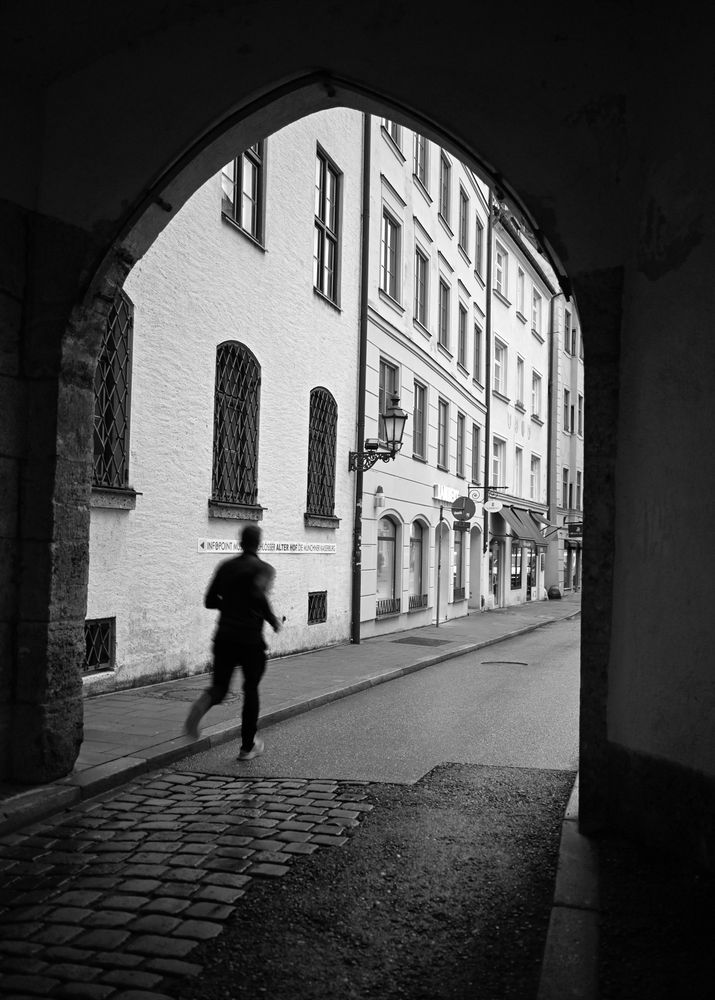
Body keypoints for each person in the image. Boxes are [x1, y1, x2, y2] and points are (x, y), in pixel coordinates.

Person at [184, 523, 281, 760]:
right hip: (250, 640)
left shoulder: (225, 567)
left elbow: (209, 601)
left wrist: (229, 604)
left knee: (220, 687)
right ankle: (248, 746)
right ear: (258, 543)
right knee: (251, 691)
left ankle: (203, 703)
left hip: (225, 637)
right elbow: (259, 597)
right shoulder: (264, 569)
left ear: (240, 542)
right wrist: (272, 620)